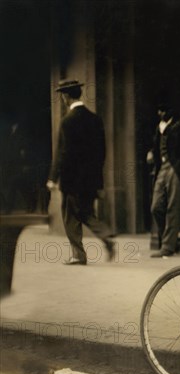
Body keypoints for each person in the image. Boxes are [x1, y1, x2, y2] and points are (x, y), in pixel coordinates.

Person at [46, 79, 114, 265]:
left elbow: (62, 152)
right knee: (85, 212)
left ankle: (79, 254)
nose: (62, 99)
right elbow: (101, 153)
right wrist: (98, 182)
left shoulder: (67, 121)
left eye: (62, 96)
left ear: (66, 97)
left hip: (71, 180)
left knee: (71, 217)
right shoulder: (95, 119)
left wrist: (53, 178)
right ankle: (105, 235)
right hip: (90, 180)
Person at [147, 103, 180, 258]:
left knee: (173, 208)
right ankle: (170, 243)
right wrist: (151, 153)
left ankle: (168, 247)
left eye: (163, 110)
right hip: (162, 168)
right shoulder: (160, 126)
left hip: (177, 169)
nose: (160, 113)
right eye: (159, 110)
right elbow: (157, 146)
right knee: (156, 206)